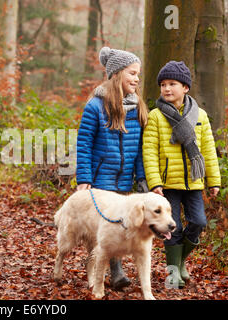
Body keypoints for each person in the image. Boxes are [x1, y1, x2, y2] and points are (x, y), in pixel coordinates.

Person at [76, 47, 149, 290]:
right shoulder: (95, 106)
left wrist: (141, 178)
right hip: (100, 179)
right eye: (132, 73)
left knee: (122, 223)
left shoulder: (137, 106)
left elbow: (139, 149)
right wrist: (84, 178)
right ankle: (115, 272)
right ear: (117, 74)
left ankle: (106, 265)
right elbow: (84, 144)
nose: (137, 79)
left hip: (125, 179)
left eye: (138, 74)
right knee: (110, 222)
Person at [143, 61, 221, 288]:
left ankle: (180, 262)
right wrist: (155, 182)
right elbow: (149, 151)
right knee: (172, 227)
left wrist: (213, 180)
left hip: (194, 183)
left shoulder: (200, 115)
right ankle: (172, 273)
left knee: (198, 222)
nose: (166, 89)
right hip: (167, 185)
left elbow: (208, 150)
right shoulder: (156, 116)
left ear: (185, 87)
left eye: (172, 84)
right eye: (163, 85)